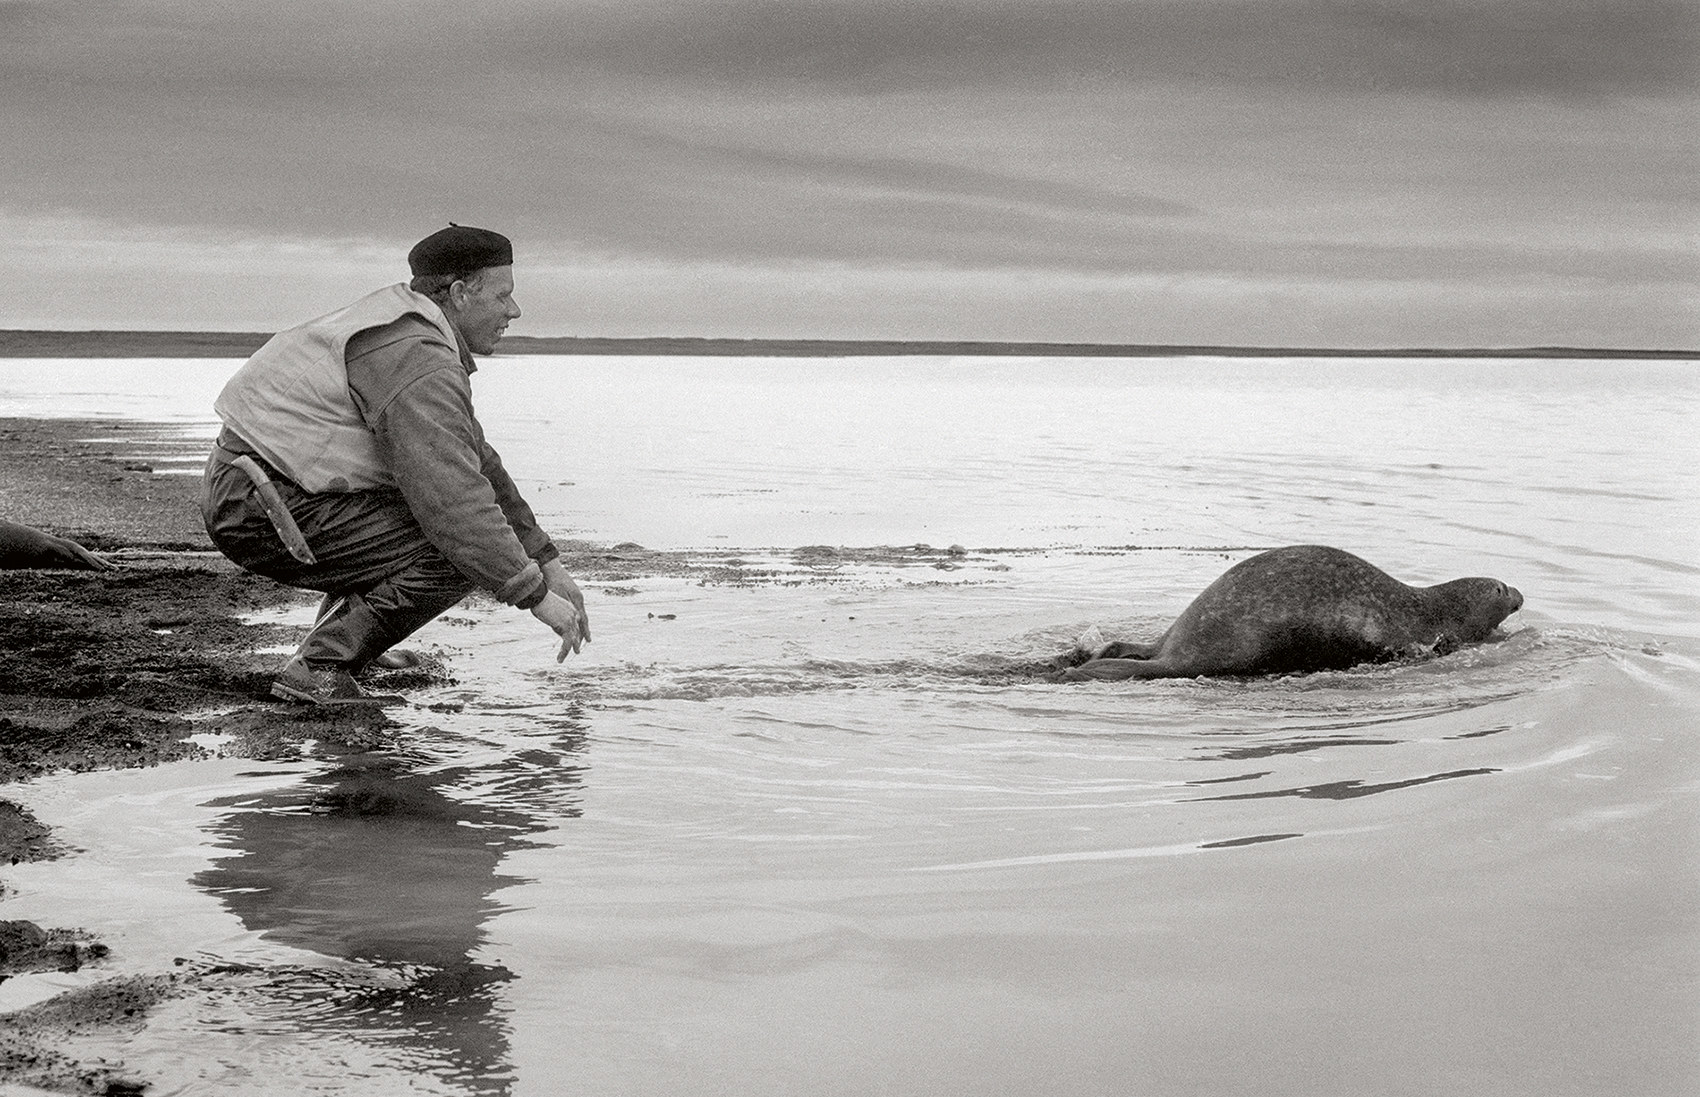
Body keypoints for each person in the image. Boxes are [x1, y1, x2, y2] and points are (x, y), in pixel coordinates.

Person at [201, 224, 588, 704]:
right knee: (455, 547)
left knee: (448, 529)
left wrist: (547, 561)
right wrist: (536, 597)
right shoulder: (416, 359)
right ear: (460, 294)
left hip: (269, 488)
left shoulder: (413, 331)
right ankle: (322, 665)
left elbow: (478, 464)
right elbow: (454, 505)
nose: (514, 310)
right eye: (503, 295)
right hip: (258, 506)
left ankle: (349, 641)